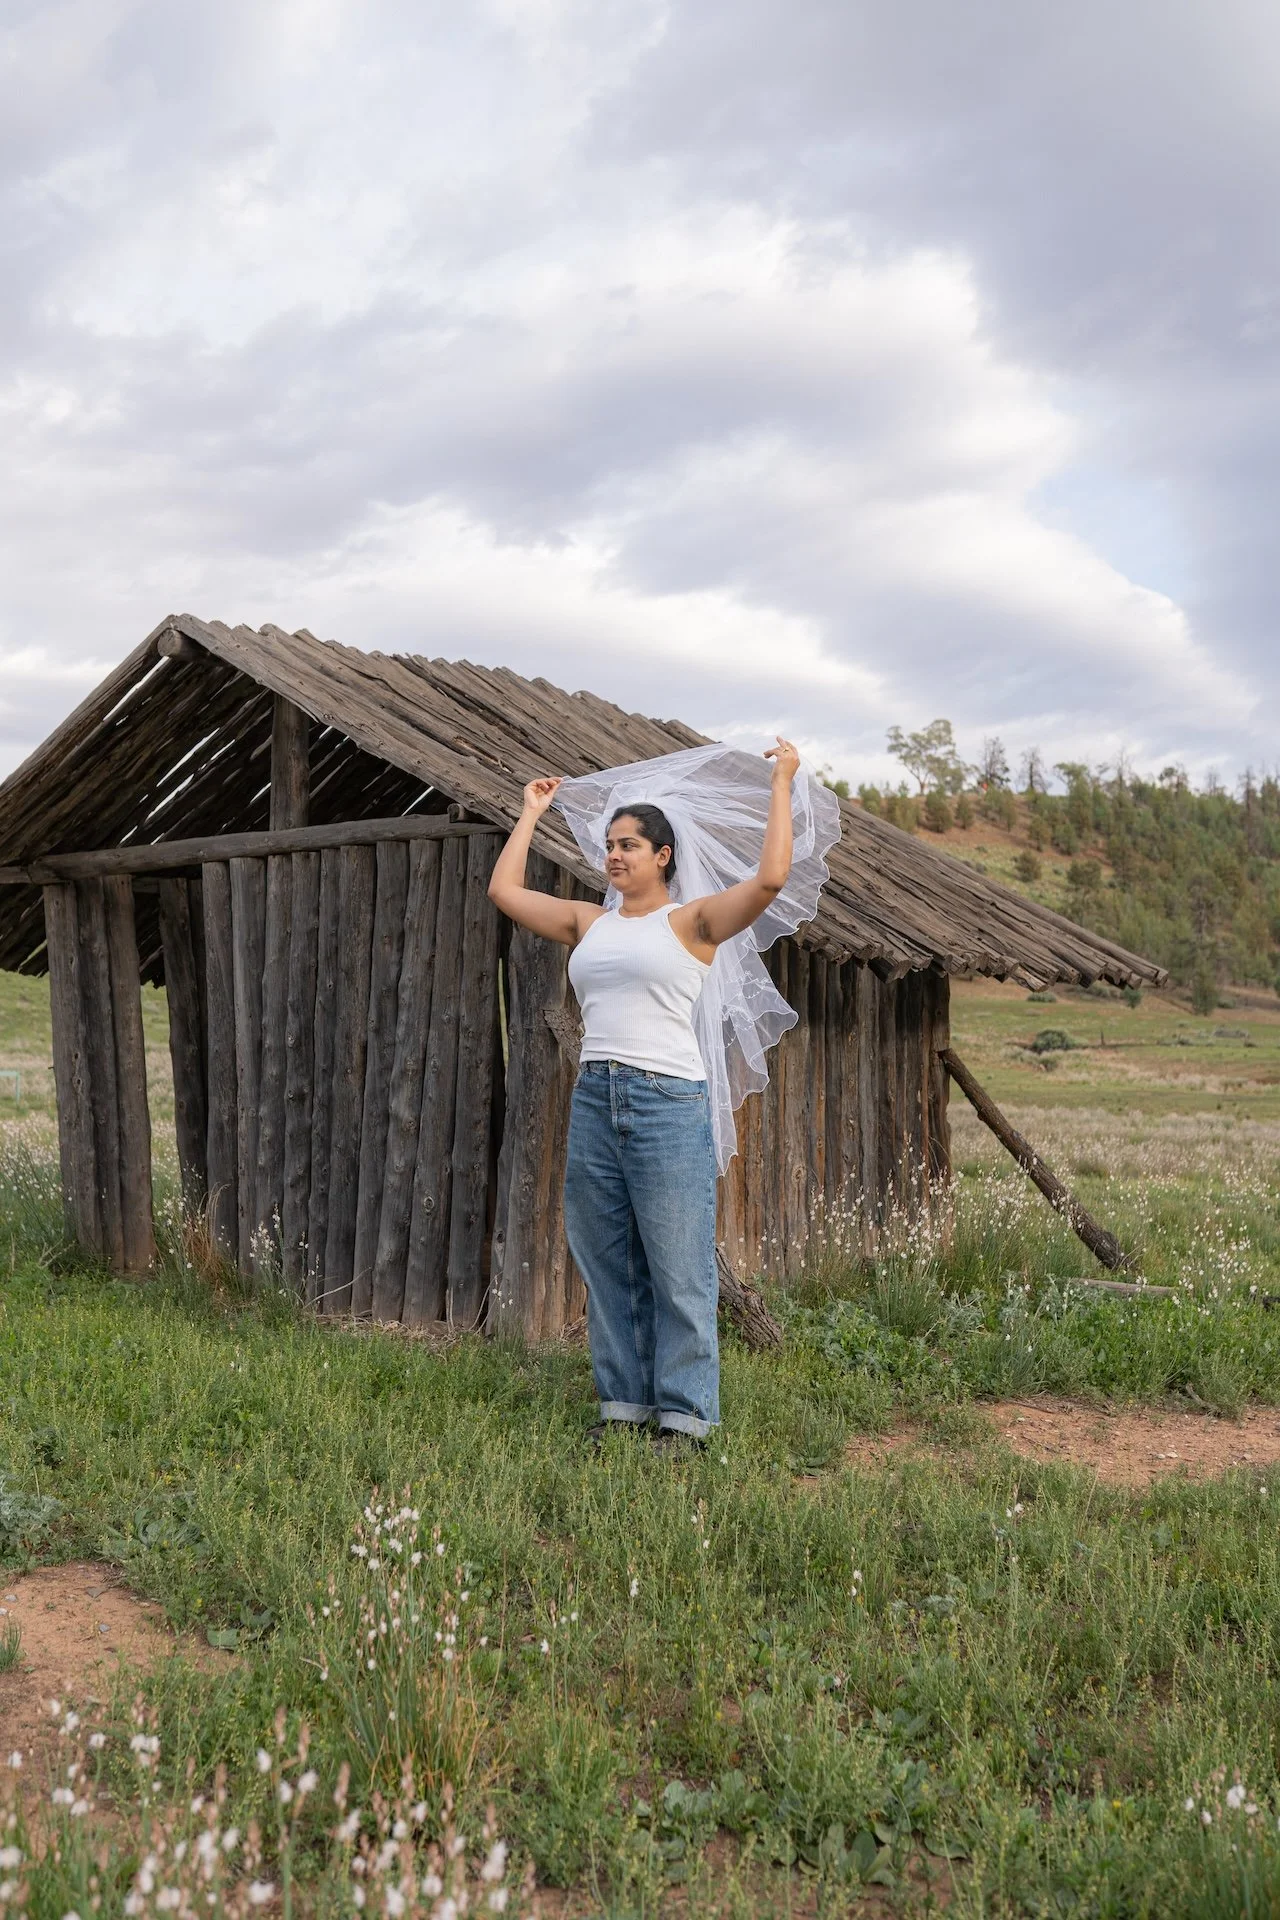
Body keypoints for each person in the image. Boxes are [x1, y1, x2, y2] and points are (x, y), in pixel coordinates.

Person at [487, 737, 802, 1453]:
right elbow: (504, 892)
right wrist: (530, 812)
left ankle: (685, 1422)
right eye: (609, 845)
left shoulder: (692, 924)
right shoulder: (585, 923)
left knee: (678, 1265)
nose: (615, 855)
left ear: (663, 855)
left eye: (629, 844)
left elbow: (771, 879)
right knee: (605, 1262)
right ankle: (623, 1409)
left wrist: (781, 779)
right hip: (595, 1099)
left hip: (666, 1103)